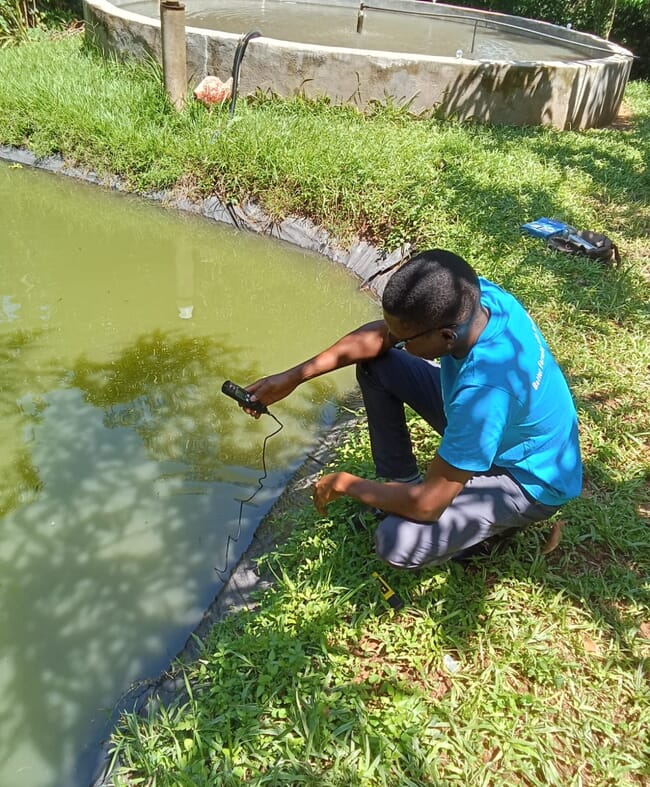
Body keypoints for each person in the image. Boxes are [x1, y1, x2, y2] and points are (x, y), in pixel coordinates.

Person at [243, 249, 582, 569]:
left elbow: (428, 504)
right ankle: (402, 483)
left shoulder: (483, 395)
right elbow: (380, 338)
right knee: (376, 364)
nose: (394, 342)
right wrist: (294, 377)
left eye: (404, 340)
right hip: (502, 428)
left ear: (446, 336)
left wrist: (346, 484)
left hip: (527, 479)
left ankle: (487, 533)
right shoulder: (476, 300)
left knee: (397, 542)